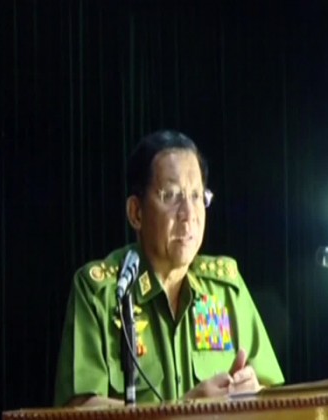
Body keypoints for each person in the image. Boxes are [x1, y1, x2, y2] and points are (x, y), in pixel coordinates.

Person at [53, 129, 284, 407]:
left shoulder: (226, 289)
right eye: (171, 196)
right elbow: (79, 408)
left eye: (197, 196)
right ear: (136, 213)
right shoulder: (101, 292)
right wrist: (182, 410)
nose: (188, 214)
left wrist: (255, 393)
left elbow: (275, 396)